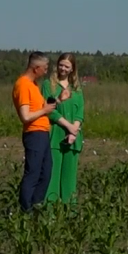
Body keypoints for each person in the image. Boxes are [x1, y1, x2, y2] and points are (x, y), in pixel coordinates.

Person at [12, 51, 57, 211]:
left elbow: (39, 108)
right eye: (45, 68)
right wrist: (44, 110)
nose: (46, 71)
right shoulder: (23, 85)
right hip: (34, 133)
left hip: (43, 132)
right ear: (36, 68)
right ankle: (26, 209)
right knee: (33, 173)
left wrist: (56, 102)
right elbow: (25, 116)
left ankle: (35, 204)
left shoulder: (33, 85)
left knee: (46, 171)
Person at [41, 53, 84, 205]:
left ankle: (69, 214)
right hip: (55, 136)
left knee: (69, 180)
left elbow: (80, 113)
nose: (63, 69)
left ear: (72, 69)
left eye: (67, 66)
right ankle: (50, 215)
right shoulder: (48, 85)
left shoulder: (77, 89)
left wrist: (74, 131)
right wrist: (68, 126)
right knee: (52, 178)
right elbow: (50, 110)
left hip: (73, 139)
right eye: (61, 65)